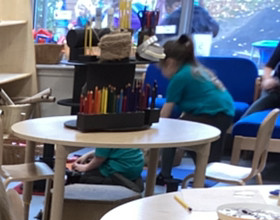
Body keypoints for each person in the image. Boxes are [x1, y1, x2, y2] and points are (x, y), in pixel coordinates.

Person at [156, 34, 234, 186]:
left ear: (169, 62)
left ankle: (164, 175)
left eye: (161, 67)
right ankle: (206, 177)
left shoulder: (180, 77)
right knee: (207, 151)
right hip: (225, 112)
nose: (161, 71)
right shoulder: (195, 69)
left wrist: (153, 131)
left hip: (211, 113)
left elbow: (165, 113)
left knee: (170, 134)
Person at [66, 147, 145, 192]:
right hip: (134, 167)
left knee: (86, 176)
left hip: (118, 171)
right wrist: (87, 155)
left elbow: (99, 158)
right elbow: (106, 150)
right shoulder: (120, 129)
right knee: (92, 164)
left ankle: (74, 177)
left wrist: (85, 168)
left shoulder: (104, 133)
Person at [242, 40, 280, 117]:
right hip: (275, 90)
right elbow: (269, 66)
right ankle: (244, 122)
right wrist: (267, 79)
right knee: (250, 115)